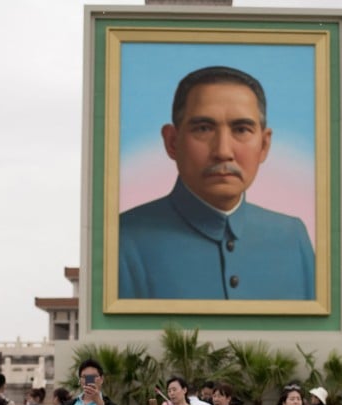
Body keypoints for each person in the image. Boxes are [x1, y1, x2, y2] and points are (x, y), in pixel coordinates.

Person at [118, 65, 315, 300]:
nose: (222, 152)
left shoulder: (293, 238)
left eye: (241, 129)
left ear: (264, 145)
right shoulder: (122, 239)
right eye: (203, 129)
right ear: (172, 142)